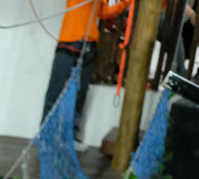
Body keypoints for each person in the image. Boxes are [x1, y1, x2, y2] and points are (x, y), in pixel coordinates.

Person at [41, 0, 132, 149]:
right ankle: (46, 135)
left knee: (80, 94)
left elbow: (102, 13)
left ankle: (71, 137)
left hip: (89, 46)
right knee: (55, 92)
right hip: (69, 43)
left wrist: (125, 2)